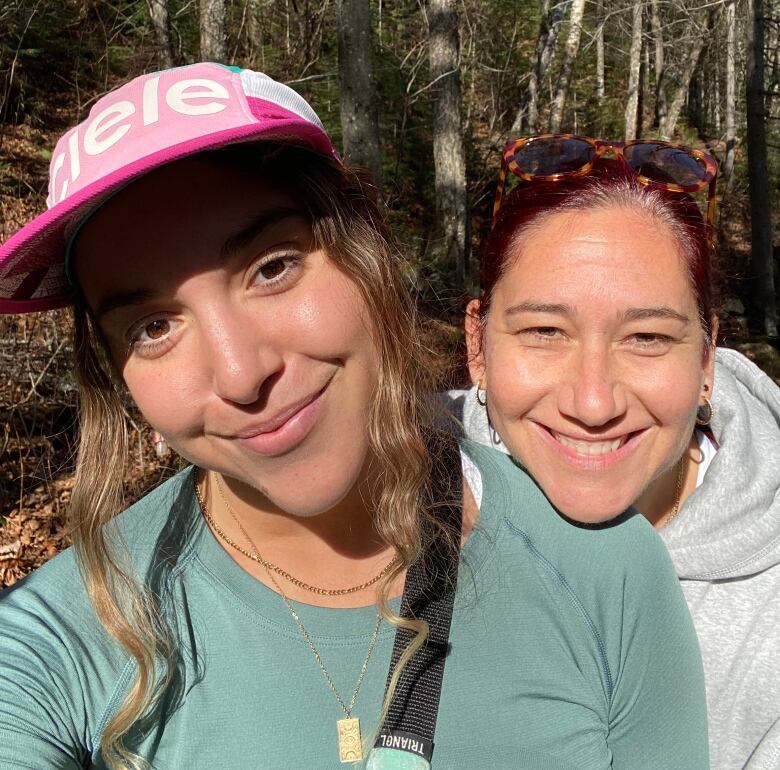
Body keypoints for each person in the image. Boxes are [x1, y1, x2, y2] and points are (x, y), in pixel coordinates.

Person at [0, 68, 708, 769]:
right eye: (154, 326)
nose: (243, 374)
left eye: (272, 268)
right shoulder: (58, 635)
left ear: (368, 257)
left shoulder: (602, 573)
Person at [448, 135, 780, 770]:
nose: (594, 403)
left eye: (647, 337)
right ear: (478, 346)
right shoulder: (391, 479)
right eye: (545, 331)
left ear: (706, 358)